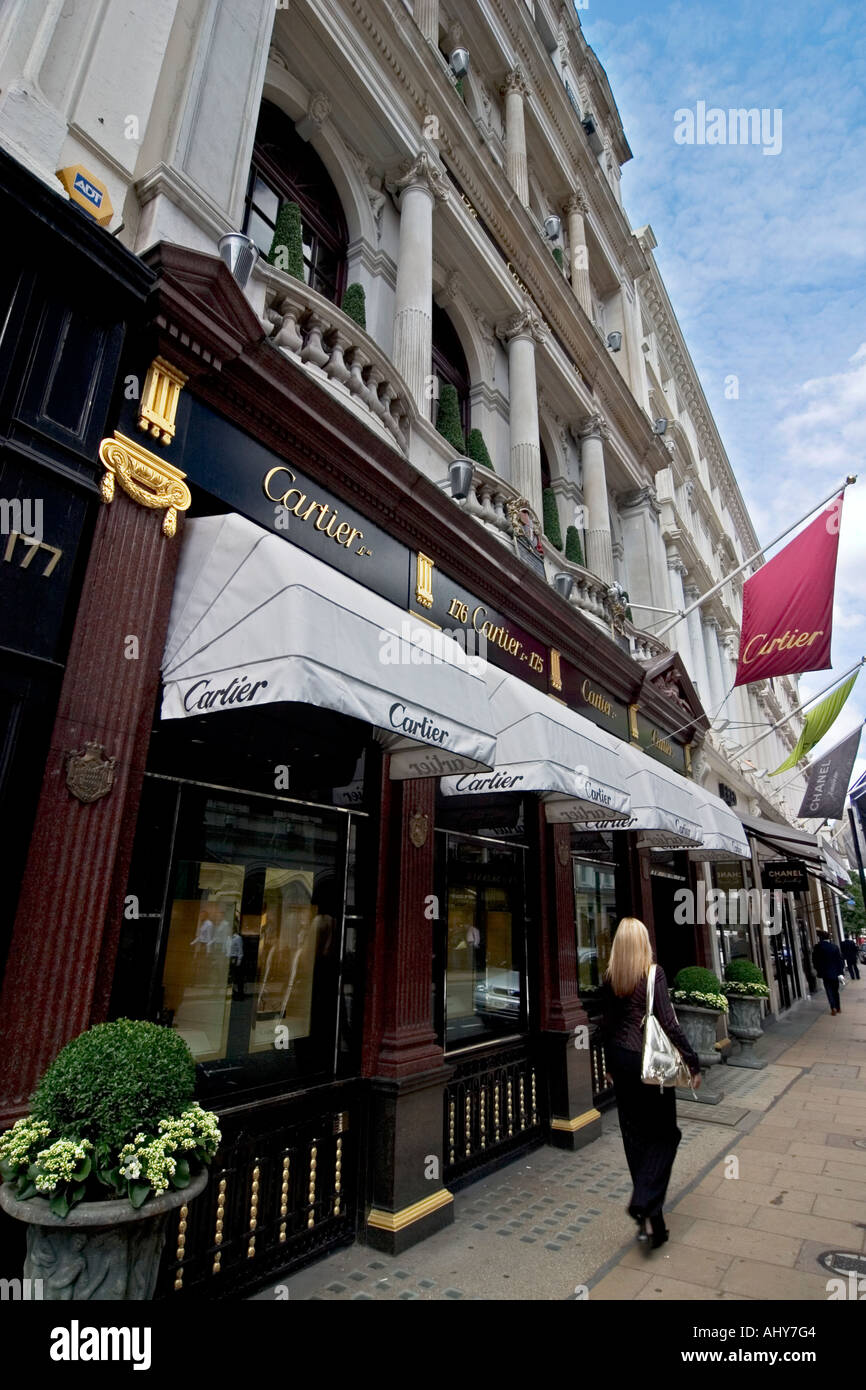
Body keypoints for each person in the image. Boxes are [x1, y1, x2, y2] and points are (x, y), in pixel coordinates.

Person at [598, 917, 701, 1249]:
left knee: (634, 1135)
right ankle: (643, 1200)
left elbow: (607, 1025)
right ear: (643, 943)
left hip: (622, 1060)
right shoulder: (653, 974)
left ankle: (651, 1220)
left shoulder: (611, 977)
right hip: (650, 1063)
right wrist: (692, 1061)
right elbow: (669, 1023)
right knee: (666, 1134)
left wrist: (609, 1065)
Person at [811, 931, 845, 1014]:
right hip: (835, 972)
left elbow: (815, 960)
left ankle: (833, 1007)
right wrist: (840, 972)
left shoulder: (818, 947)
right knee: (835, 991)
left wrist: (818, 969)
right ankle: (838, 1008)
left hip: (825, 973)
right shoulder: (834, 947)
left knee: (829, 990)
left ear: (821, 938)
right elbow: (839, 960)